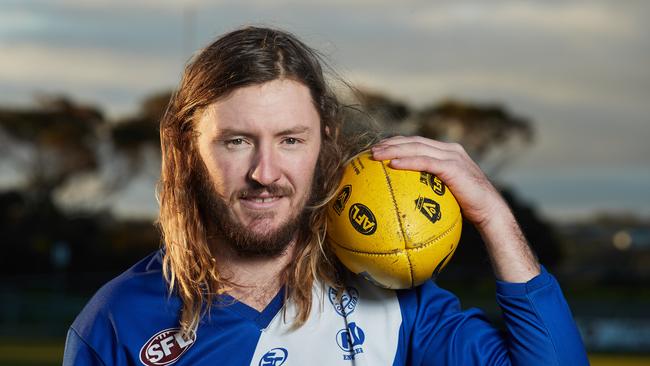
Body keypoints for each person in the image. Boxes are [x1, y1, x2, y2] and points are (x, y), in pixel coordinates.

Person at [63, 26, 589, 365]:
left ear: (324, 145)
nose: (265, 172)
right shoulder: (116, 323)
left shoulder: (393, 303)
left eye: (290, 140)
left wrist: (494, 216)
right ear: (187, 149)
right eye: (237, 141)